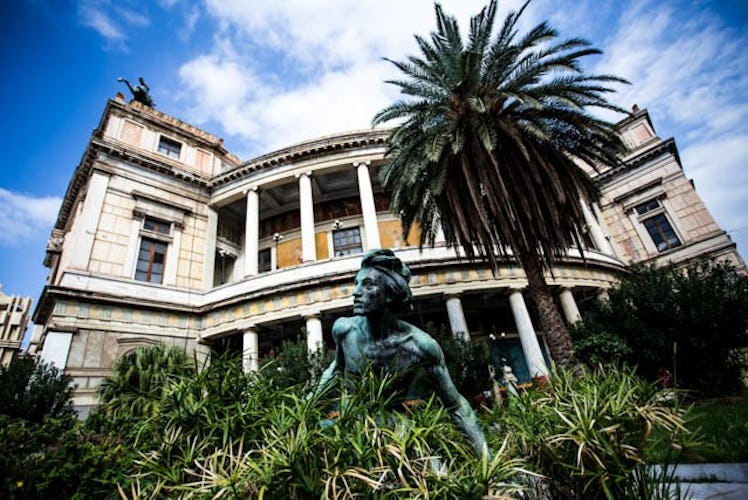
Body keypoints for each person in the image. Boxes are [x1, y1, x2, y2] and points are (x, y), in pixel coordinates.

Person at [312, 249, 490, 458]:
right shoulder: (344, 330)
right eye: (357, 283)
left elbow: (456, 404)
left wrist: (486, 460)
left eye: (368, 285)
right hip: (348, 432)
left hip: (396, 435)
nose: (356, 292)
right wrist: (305, 411)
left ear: (390, 294)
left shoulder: (420, 346)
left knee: (437, 472)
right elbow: (335, 371)